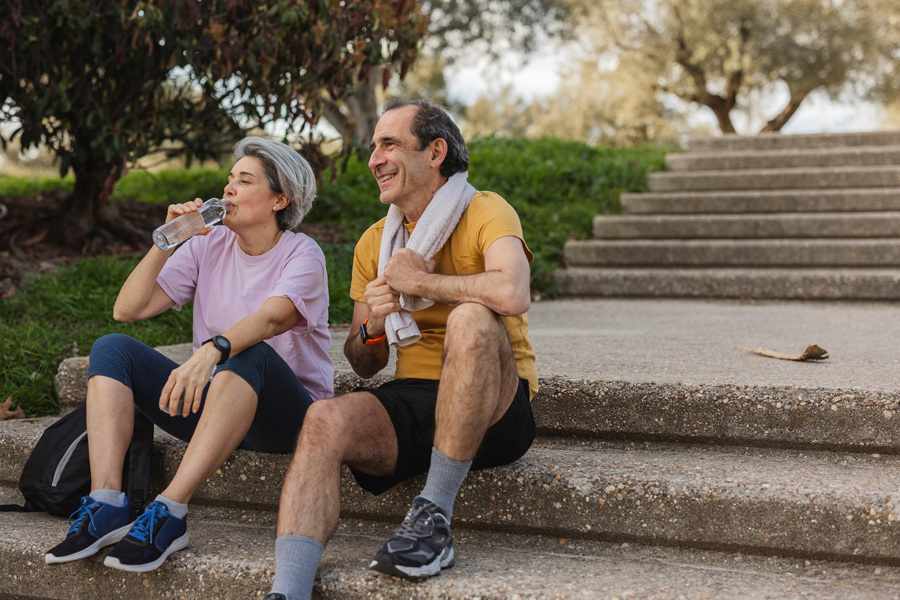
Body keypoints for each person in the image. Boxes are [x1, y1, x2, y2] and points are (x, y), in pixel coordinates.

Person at [265, 99, 537, 600]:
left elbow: (512, 293)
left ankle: (432, 517)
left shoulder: (486, 209)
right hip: (415, 395)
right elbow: (364, 364)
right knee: (323, 419)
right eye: (373, 147)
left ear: (436, 152)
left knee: (472, 318)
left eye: (389, 143)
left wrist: (422, 281)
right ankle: (289, 589)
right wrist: (374, 326)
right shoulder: (376, 243)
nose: (374, 158)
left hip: (496, 403)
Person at [44, 137, 333, 573]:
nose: (229, 188)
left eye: (245, 180)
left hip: (287, 416)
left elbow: (272, 319)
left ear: (280, 198)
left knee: (248, 354)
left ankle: (170, 512)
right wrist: (166, 241)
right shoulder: (207, 243)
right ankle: (107, 502)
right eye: (230, 178)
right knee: (111, 348)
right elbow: (129, 309)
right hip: (214, 406)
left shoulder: (303, 253)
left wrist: (211, 352)